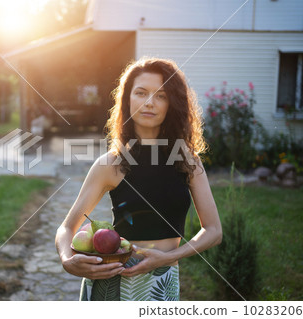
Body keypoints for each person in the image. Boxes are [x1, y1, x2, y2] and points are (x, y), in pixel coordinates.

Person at [55, 57, 222, 301]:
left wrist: (169, 257)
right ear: (127, 99)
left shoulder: (187, 161)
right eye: (141, 93)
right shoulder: (110, 163)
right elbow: (67, 228)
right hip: (113, 282)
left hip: (163, 283)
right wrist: (66, 260)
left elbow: (214, 231)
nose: (150, 103)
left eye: (161, 96)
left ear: (172, 104)